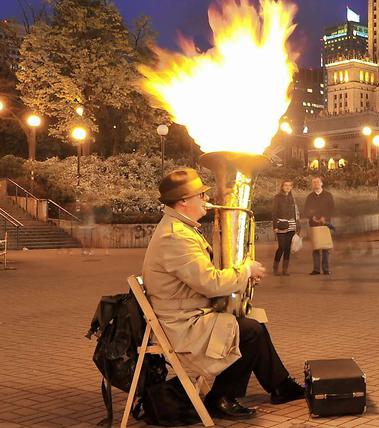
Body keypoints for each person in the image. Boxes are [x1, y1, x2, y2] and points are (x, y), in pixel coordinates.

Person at [142, 168, 304, 420]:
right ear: (184, 201)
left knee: (252, 322)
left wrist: (241, 274)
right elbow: (209, 282)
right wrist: (244, 271)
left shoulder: (180, 229)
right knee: (249, 331)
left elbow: (204, 275)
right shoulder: (176, 237)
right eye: (201, 195)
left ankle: (281, 385)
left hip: (189, 313)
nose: (206, 199)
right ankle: (221, 397)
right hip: (182, 324)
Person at [304, 177, 335, 275]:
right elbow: (306, 210)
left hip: (325, 224)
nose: (316, 184)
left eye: (318, 182)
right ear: (312, 185)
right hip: (314, 224)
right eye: (314, 182)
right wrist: (312, 217)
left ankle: (326, 269)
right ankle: (316, 269)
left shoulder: (328, 195)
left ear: (321, 183)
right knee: (316, 247)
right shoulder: (310, 197)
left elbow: (332, 208)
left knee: (326, 247)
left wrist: (325, 217)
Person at [271, 180, 298, 276]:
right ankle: (275, 268)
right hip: (281, 224)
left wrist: (297, 226)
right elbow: (274, 212)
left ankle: (285, 270)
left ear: (291, 187)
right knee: (281, 246)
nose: (287, 187)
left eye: (289, 185)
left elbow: (296, 213)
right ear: (282, 187)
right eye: (285, 185)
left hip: (291, 224)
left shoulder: (292, 198)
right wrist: (275, 226)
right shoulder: (277, 197)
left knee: (287, 248)